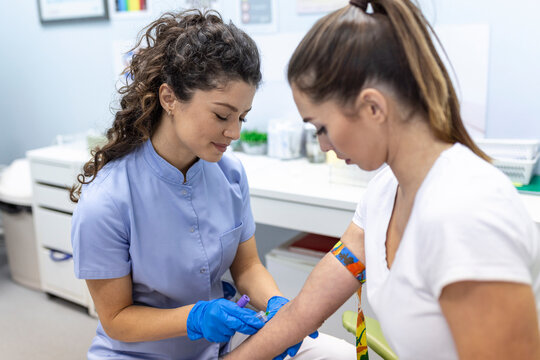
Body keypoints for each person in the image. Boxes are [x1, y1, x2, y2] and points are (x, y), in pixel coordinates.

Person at [225, 0, 540, 359]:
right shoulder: (385, 194)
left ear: (373, 107)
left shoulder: (466, 215)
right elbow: (299, 316)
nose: (323, 144)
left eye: (322, 127)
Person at [70, 9, 353, 360]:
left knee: (336, 355)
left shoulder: (229, 174)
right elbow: (115, 320)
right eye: (222, 115)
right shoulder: (107, 200)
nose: (234, 132)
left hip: (219, 345)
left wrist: (278, 305)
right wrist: (195, 317)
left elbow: (247, 267)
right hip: (142, 355)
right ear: (169, 98)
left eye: (242, 117)